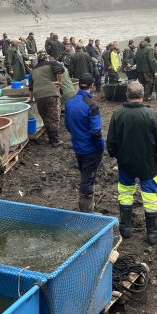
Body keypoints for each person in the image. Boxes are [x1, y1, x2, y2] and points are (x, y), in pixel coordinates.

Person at [107, 81, 157, 245]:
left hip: (125, 162)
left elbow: (111, 140)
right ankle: (152, 233)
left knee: (125, 192)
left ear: (127, 95)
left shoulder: (118, 114)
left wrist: (114, 154)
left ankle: (125, 228)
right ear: (142, 96)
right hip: (147, 163)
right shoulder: (150, 114)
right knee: (150, 195)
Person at [65, 73, 104, 212]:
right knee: (88, 179)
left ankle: (87, 205)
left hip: (78, 147)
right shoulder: (91, 105)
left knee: (84, 174)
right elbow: (96, 132)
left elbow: (68, 125)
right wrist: (101, 146)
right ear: (91, 86)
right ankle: (87, 211)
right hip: (91, 150)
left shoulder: (69, 102)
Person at [30, 51, 65, 146]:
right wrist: (59, 82)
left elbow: (31, 87)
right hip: (51, 93)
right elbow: (60, 69)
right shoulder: (52, 63)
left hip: (38, 95)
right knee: (53, 117)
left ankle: (50, 138)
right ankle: (55, 141)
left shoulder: (33, 70)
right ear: (46, 58)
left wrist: (31, 99)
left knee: (45, 117)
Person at [134, 37, 157, 101]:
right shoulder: (149, 49)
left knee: (142, 83)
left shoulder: (138, 49)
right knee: (149, 82)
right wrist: (154, 70)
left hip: (139, 70)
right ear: (149, 42)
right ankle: (146, 96)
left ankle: (141, 96)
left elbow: (135, 58)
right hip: (147, 70)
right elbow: (151, 60)